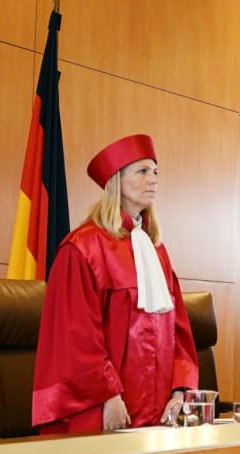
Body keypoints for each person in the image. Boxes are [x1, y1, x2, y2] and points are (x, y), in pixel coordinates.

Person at [32, 134, 199, 434]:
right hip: (105, 407)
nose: (153, 180)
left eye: (156, 172)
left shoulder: (156, 250)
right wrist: (107, 395)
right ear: (115, 181)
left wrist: (181, 389)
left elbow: (179, 331)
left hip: (158, 409)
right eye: (142, 171)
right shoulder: (83, 248)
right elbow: (78, 337)